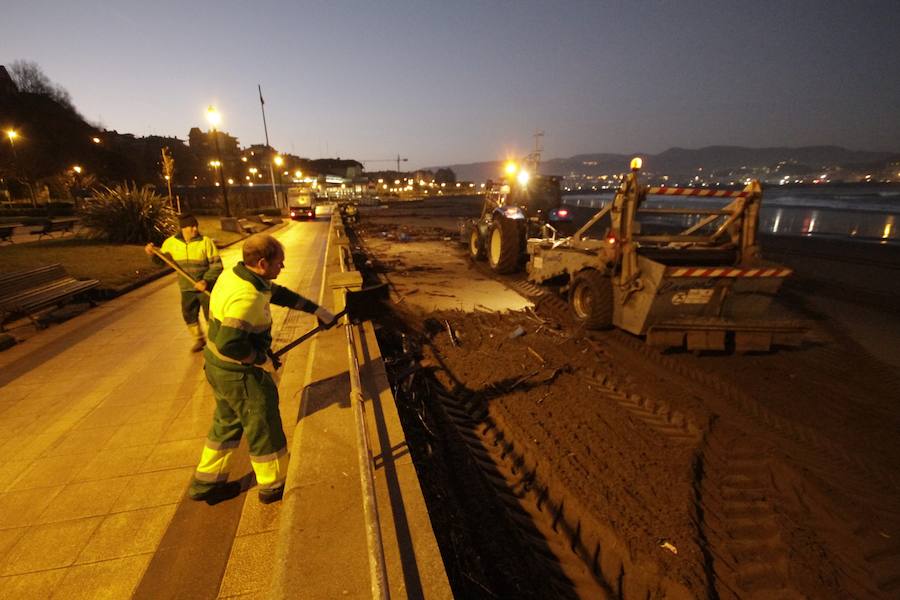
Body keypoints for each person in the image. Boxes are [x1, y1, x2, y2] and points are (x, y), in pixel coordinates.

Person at [188, 233, 336, 504]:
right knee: (264, 424)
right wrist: (260, 359)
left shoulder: (237, 274)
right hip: (239, 374)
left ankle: (205, 484)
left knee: (227, 423)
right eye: (280, 262)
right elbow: (230, 342)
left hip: (217, 367)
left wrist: (316, 309)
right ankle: (273, 485)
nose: (284, 267)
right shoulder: (247, 297)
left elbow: (276, 293)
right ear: (263, 263)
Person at [144, 214, 223, 352]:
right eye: (191, 226)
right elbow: (160, 262)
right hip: (186, 288)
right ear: (183, 228)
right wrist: (152, 254)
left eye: (195, 226)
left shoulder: (205, 242)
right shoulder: (171, 243)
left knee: (210, 314)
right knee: (189, 314)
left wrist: (206, 280)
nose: (195, 229)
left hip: (206, 287)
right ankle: (199, 339)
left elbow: (217, 266)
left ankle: (214, 340)